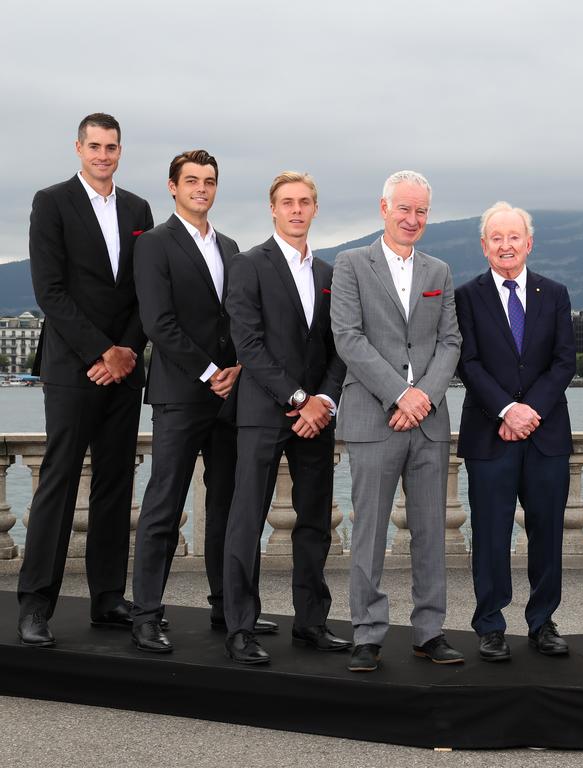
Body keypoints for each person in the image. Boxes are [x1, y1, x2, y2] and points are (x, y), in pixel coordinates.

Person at [130, 150, 277, 653]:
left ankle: (228, 606)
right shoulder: (153, 244)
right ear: (173, 187)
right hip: (180, 394)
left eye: (209, 181)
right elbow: (157, 322)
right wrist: (210, 370)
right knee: (163, 505)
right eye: (191, 180)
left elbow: (238, 317)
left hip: (231, 396)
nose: (201, 188)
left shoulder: (232, 246)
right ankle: (147, 613)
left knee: (227, 505)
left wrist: (235, 368)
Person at [17, 113, 153, 646]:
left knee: (117, 482)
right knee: (58, 480)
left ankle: (107, 597)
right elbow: (49, 291)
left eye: (111, 147)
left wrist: (125, 351)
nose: (103, 155)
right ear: (79, 148)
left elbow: (145, 288)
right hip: (73, 366)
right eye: (94, 146)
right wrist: (102, 351)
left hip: (124, 366)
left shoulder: (138, 208)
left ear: (121, 151)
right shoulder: (50, 202)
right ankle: (35, 605)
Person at [332, 170, 462, 673]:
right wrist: (399, 394)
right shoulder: (349, 264)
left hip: (428, 421)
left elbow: (450, 341)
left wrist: (423, 397)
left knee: (432, 531)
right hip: (374, 416)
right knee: (368, 532)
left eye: (421, 211)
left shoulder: (440, 271)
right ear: (383, 208)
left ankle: (430, 630)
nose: (412, 219)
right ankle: (366, 632)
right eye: (404, 209)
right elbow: (348, 338)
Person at [221, 172, 348, 664]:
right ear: (272, 209)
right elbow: (248, 344)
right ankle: (240, 627)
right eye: (287, 202)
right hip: (263, 412)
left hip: (318, 416)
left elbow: (340, 347)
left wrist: (325, 401)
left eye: (305, 202)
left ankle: (312, 623)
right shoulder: (248, 265)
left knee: (315, 522)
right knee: (246, 519)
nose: (296, 210)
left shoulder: (330, 274)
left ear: (315, 209)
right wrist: (300, 398)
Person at [454, 202, 576, 661]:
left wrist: (530, 411)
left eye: (514, 237)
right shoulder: (466, 296)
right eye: (496, 238)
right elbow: (468, 362)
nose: (506, 245)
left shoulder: (556, 293)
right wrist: (507, 410)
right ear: (484, 245)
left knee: (547, 533)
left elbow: (565, 359)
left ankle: (543, 622)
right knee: (490, 533)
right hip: (490, 435)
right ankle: (490, 625)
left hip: (546, 435)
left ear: (529, 242)